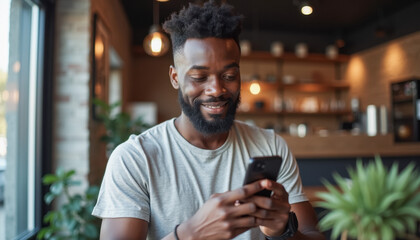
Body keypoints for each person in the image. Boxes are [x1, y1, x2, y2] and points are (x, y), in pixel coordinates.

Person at [92, 1, 325, 239]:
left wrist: (282, 231)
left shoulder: (270, 147)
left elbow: (311, 233)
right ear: (175, 77)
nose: (216, 89)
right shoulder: (135, 158)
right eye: (199, 77)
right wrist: (192, 234)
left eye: (229, 75)